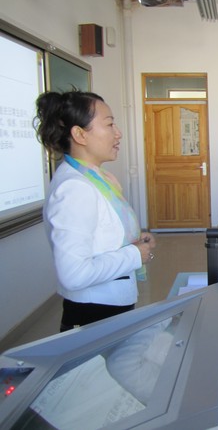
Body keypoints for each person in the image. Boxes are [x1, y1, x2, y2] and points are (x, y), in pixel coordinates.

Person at [35, 91, 156, 332]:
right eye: (109, 124)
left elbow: (102, 233)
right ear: (80, 134)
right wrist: (134, 254)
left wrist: (135, 239)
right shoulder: (75, 188)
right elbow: (74, 274)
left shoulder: (96, 178)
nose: (118, 133)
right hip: (94, 312)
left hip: (110, 305)